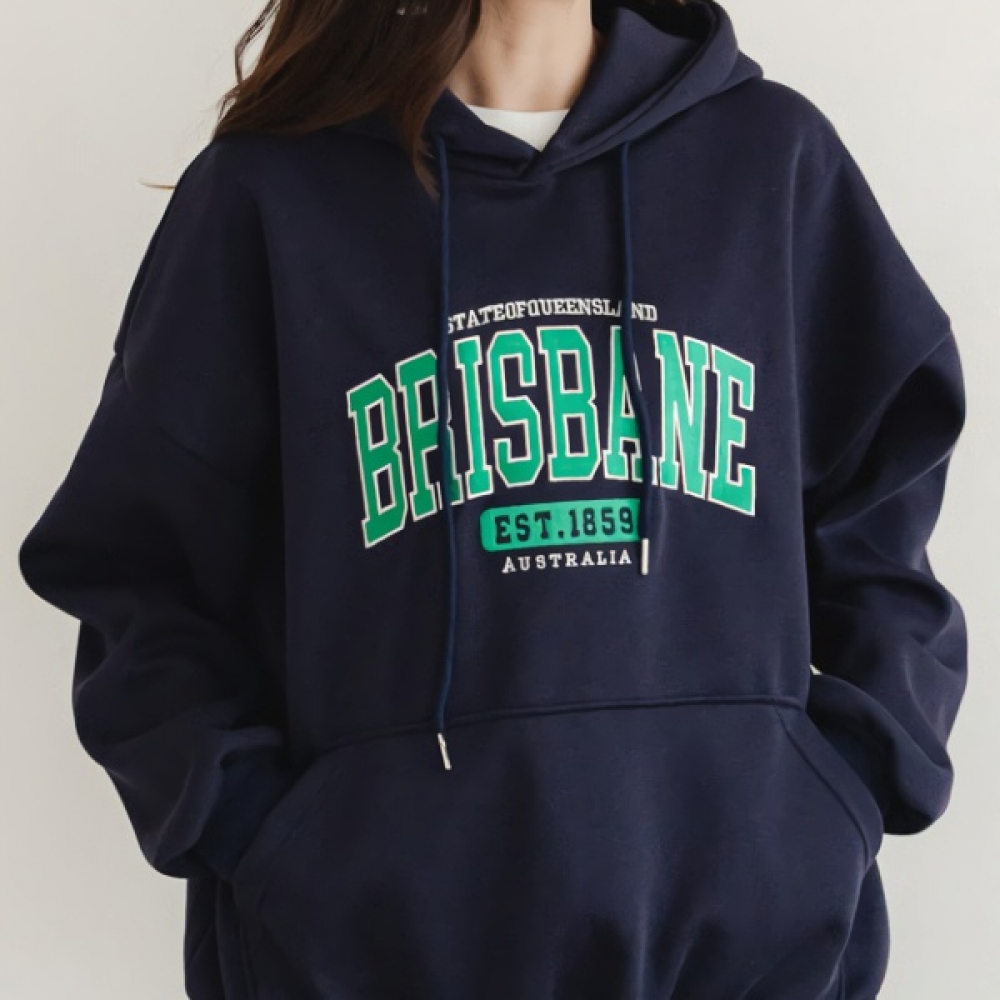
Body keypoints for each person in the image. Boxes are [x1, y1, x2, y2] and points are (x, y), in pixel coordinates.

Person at [17, 0, 968, 997]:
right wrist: (268, 839)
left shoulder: (770, 160)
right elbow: (136, 572)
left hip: (748, 963)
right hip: (366, 966)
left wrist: (844, 791)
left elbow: (885, 498)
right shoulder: (267, 196)